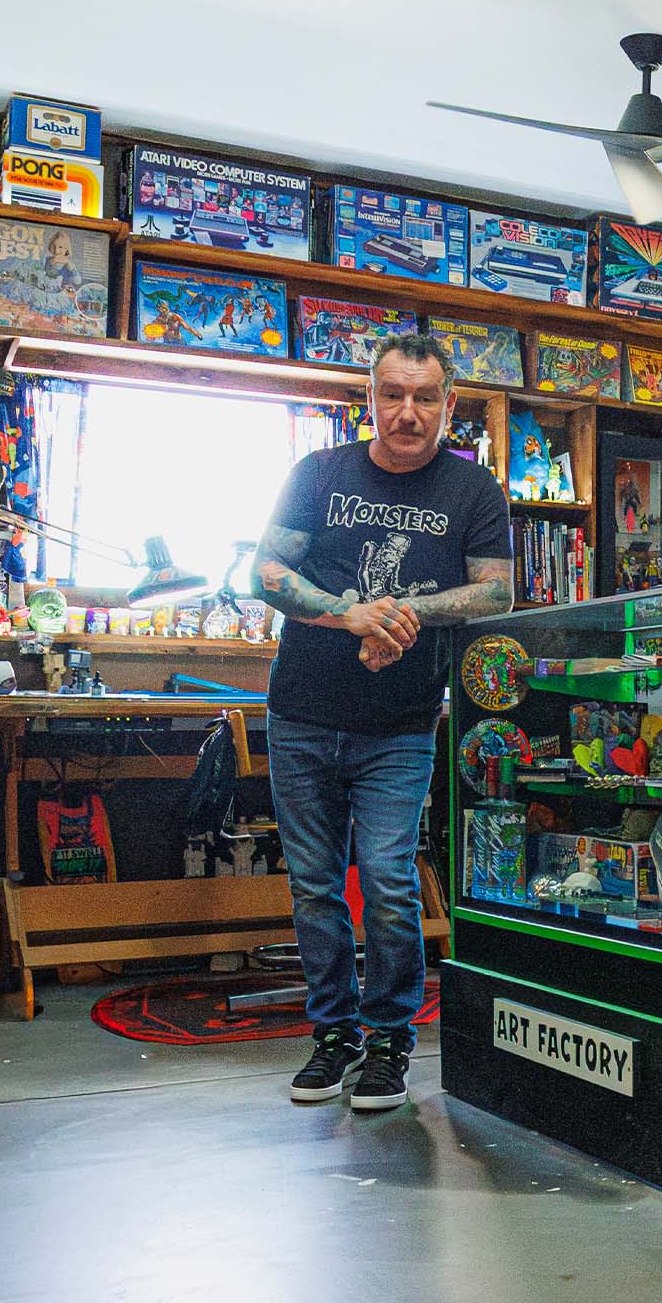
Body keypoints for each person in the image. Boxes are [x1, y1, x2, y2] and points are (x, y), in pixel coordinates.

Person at [254, 332, 511, 1108]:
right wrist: (348, 615)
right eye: (392, 395)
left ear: (448, 404)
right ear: (368, 399)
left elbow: (495, 594)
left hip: (400, 724)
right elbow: (266, 571)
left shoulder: (475, 491)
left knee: (393, 885)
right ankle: (332, 1037)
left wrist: (395, 616)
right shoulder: (319, 472)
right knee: (313, 885)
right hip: (300, 714)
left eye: (424, 397)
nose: (408, 413)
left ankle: (389, 1046)